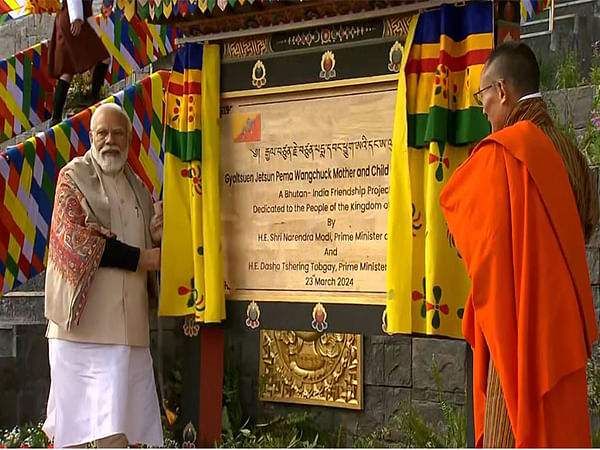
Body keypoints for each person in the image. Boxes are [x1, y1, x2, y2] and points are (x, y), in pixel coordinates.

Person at [440, 42, 599, 447]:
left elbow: (464, 239)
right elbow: (588, 224)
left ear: (502, 92)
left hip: (516, 330)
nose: (483, 109)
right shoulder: (572, 154)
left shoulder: (504, 155)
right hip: (561, 334)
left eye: (483, 97)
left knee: (509, 430)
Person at [42, 103, 164, 448]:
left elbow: (147, 245)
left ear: (128, 138)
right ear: (91, 137)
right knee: (77, 435)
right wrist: (146, 257)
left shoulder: (139, 188)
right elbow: (79, 243)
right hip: (81, 334)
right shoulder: (72, 178)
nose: (110, 140)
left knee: (123, 434)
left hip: (128, 333)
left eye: (118, 133)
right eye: (103, 133)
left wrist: (154, 235)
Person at [48, 0, 110, 126]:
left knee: (68, 68)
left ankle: (55, 118)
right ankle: (93, 99)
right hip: (74, 18)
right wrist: (76, 18)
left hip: (70, 17)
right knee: (103, 57)